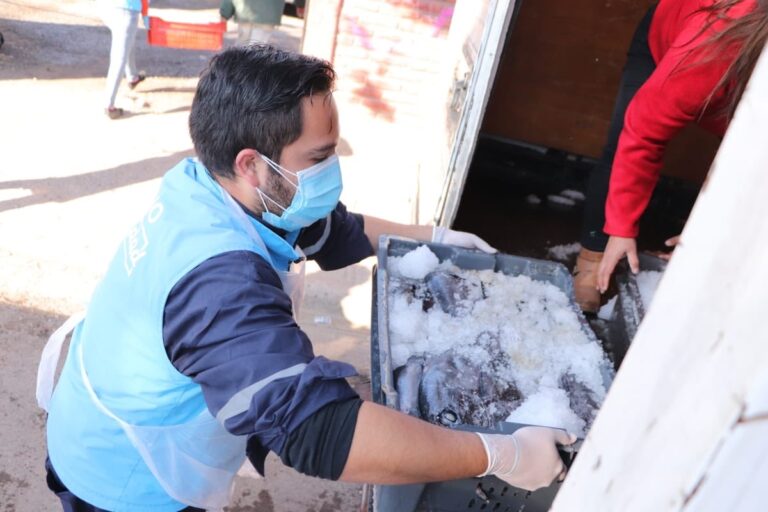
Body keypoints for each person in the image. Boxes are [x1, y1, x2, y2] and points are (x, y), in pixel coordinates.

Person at [38, 45, 574, 511]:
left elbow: (325, 229)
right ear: (252, 164)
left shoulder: (214, 183)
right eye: (318, 158)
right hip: (123, 475)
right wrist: (497, 452)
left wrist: (429, 234)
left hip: (113, 402)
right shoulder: (219, 283)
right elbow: (317, 431)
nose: (331, 169)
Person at [572, 0, 767, 312]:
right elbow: (642, 131)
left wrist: (704, 234)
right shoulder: (716, 46)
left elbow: (754, 167)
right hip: (671, 43)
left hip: (735, 91)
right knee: (621, 143)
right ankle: (593, 257)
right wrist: (621, 226)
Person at [98, 0, 147, 119]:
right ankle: (109, 105)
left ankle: (132, 77)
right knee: (120, 56)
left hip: (107, 7)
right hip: (126, 9)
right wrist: (146, 18)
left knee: (126, 42)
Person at [220, 0, 286, 45]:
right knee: (258, 48)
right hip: (268, 13)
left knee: (242, 47)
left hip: (245, 12)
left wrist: (225, 12)